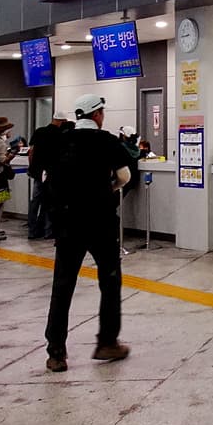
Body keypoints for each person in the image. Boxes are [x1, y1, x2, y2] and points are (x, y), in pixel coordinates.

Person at [42, 93, 131, 372]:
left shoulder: (60, 140)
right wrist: (109, 189)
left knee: (63, 285)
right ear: (97, 115)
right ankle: (107, 342)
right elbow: (125, 176)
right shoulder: (107, 141)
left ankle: (56, 352)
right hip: (100, 220)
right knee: (110, 279)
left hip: (68, 222)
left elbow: (45, 177)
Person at [27, 112, 70, 240]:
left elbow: (31, 152)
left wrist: (32, 167)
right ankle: (47, 230)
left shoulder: (39, 131)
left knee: (35, 201)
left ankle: (32, 230)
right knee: (50, 202)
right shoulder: (61, 135)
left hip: (38, 172)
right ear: (62, 121)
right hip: (53, 173)